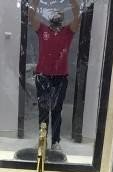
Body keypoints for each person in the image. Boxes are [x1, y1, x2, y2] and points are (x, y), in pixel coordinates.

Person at [29, 0, 81, 151]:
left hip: (60, 77)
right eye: (53, 13)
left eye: (59, 14)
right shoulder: (42, 29)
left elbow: (77, 15)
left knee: (57, 110)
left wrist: (72, 1)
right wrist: (35, 1)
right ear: (49, 17)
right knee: (43, 110)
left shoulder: (68, 31)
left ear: (62, 18)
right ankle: (43, 141)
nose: (56, 15)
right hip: (42, 76)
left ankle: (55, 142)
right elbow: (31, 14)